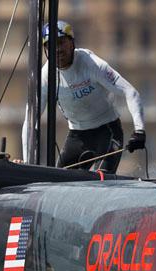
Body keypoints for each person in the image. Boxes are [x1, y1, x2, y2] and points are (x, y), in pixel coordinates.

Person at [21, 20, 146, 173]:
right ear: (45, 50)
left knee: (100, 181)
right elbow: (30, 121)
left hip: (107, 131)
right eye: (51, 46)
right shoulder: (45, 76)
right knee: (56, 182)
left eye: (61, 43)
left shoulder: (91, 63)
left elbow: (130, 92)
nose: (57, 50)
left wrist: (139, 131)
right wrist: (26, 165)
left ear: (72, 43)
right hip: (77, 136)